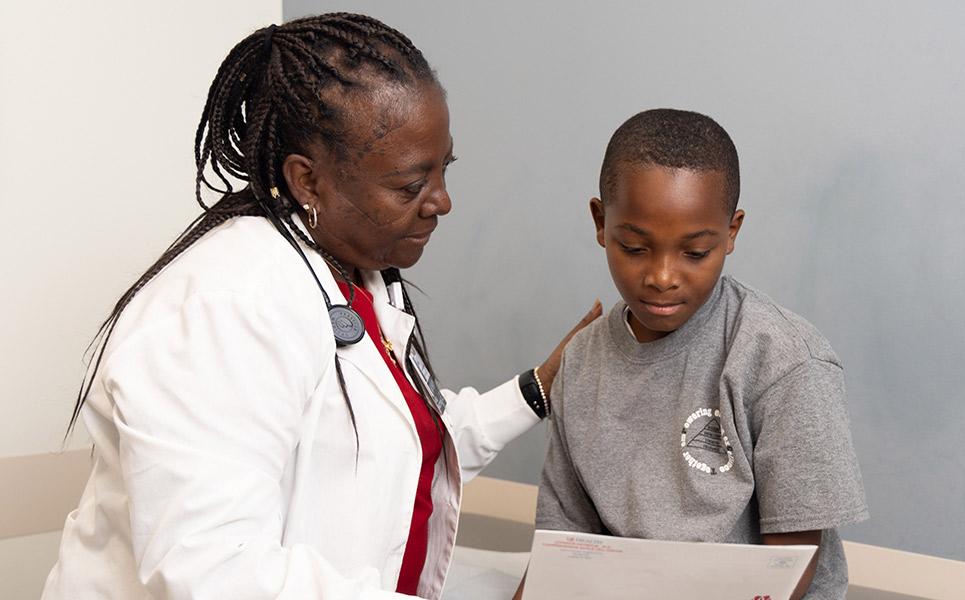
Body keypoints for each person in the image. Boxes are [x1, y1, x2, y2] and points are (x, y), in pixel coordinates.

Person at [42, 13, 599, 600]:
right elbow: (214, 573)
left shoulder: (355, 276)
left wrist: (536, 389)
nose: (442, 201)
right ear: (308, 181)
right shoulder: (227, 306)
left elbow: (393, 450)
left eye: (443, 169)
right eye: (411, 185)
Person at [522, 109, 868, 599]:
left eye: (695, 253)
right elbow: (564, 549)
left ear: (731, 232)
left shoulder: (785, 362)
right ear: (602, 223)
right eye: (636, 247)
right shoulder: (581, 362)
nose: (662, 275)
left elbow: (789, 569)